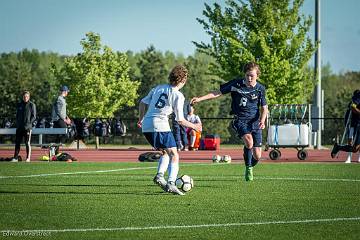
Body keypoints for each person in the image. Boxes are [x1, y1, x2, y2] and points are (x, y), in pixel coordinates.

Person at [191, 62, 268, 181]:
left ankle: (250, 163)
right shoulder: (236, 84)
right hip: (240, 120)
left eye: (252, 75)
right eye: (247, 75)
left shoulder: (260, 89)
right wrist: (200, 99)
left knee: (257, 155)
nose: (249, 78)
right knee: (249, 142)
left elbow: (264, 108)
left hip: (255, 122)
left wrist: (262, 120)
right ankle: (248, 168)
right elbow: (217, 93)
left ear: (257, 75)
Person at [138, 65, 202, 195]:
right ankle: (171, 183)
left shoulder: (157, 88)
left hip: (147, 126)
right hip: (160, 125)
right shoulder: (178, 95)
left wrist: (141, 119)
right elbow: (180, 120)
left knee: (165, 152)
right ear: (183, 80)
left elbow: (142, 103)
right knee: (174, 154)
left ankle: (160, 176)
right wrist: (195, 126)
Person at [331, 89, 360, 160]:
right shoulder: (358, 96)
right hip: (357, 124)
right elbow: (353, 107)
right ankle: (338, 147)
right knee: (355, 148)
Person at [11, 91, 36, 162]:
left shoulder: (32, 105)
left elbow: (34, 116)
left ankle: (28, 158)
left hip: (27, 128)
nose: (25, 98)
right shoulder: (19, 105)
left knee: (27, 142)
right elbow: (17, 115)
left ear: (29, 97)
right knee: (17, 142)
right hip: (19, 127)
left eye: (27, 96)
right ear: (23, 97)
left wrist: (29, 123)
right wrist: (18, 123)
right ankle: (15, 157)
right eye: (24, 96)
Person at [51, 85, 71, 150]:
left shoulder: (62, 99)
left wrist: (67, 117)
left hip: (60, 119)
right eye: (67, 91)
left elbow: (62, 111)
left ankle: (55, 151)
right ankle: (54, 148)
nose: (67, 93)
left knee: (58, 136)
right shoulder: (59, 99)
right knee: (65, 134)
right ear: (65, 91)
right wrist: (64, 120)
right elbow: (58, 111)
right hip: (59, 120)